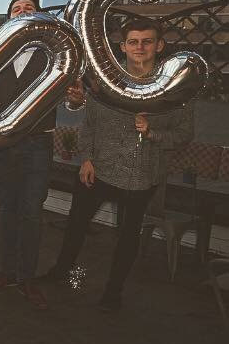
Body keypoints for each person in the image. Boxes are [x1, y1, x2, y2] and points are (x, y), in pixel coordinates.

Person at [42, 21, 193, 311]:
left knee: (127, 237)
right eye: (133, 41)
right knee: (75, 226)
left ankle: (113, 292)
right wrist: (85, 157)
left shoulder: (175, 86)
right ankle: (61, 272)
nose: (140, 47)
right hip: (98, 169)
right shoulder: (107, 79)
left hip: (141, 176)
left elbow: (184, 135)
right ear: (122, 46)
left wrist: (152, 133)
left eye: (147, 41)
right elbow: (90, 124)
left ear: (159, 45)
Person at [0, 0, 54, 310]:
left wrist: (77, 99)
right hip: (5, 143)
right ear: (9, 19)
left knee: (31, 212)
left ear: (38, 18)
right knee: (8, 210)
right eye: (16, 9)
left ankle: (28, 278)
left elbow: (72, 99)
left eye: (29, 8)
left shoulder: (53, 53)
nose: (22, 12)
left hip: (38, 143)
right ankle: (8, 272)